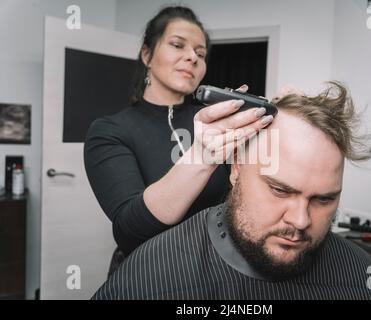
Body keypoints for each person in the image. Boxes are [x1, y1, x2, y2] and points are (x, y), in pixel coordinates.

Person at [92, 82, 371, 300]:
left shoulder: (363, 275)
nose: (301, 221)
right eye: (279, 189)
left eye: (324, 199)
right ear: (235, 169)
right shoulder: (155, 275)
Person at [84, 6, 274, 272]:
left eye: (200, 53)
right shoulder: (110, 131)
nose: (192, 58)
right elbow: (130, 231)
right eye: (177, 45)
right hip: (148, 273)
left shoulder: (218, 122)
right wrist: (200, 157)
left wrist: (283, 116)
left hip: (217, 269)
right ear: (147, 55)